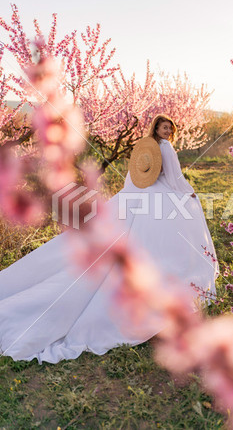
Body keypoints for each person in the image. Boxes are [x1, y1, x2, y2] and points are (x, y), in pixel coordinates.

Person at [0, 114, 219, 364]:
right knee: (176, 225)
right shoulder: (166, 147)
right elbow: (174, 178)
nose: (167, 130)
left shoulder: (144, 146)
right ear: (157, 127)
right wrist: (189, 194)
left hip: (135, 195)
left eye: (170, 126)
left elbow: (134, 178)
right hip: (158, 197)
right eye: (164, 126)